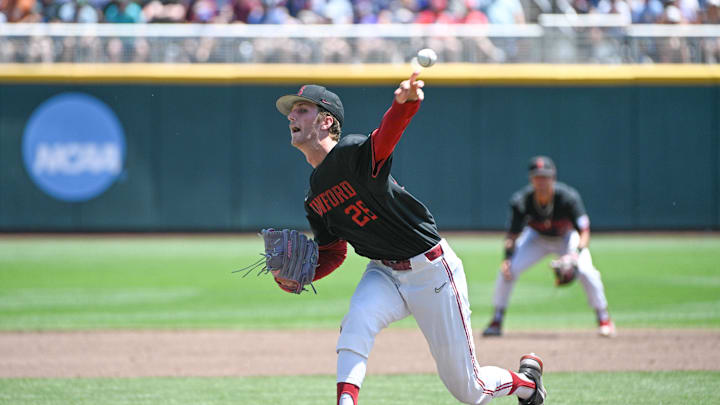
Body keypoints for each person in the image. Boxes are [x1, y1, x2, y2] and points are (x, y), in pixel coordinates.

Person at [274, 75, 547, 405]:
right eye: (292, 112)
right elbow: (333, 251)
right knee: (357, 321)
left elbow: (386, 136)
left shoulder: (350, 155)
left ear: (326, 120)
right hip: (384, 272)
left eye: (302, 109)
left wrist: (405, 103)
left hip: (430, 270)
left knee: (469, 389)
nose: (291, 116)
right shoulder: (314, 196)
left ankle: (527, 383)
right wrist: (300, 275)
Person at [482, 156, 616, 338]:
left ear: (553, 178)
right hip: (536, 238)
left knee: (586, 271)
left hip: (566, 238)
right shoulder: (521, 201)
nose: (542, 181)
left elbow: (584, 231)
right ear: (531, 179)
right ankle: (497, 319)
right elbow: (512, 236)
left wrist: (575, 255)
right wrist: (506, 258)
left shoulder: (568, 198)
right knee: (507, 270)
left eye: (545, 177)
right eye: (538, 177)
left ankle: (604, 318)